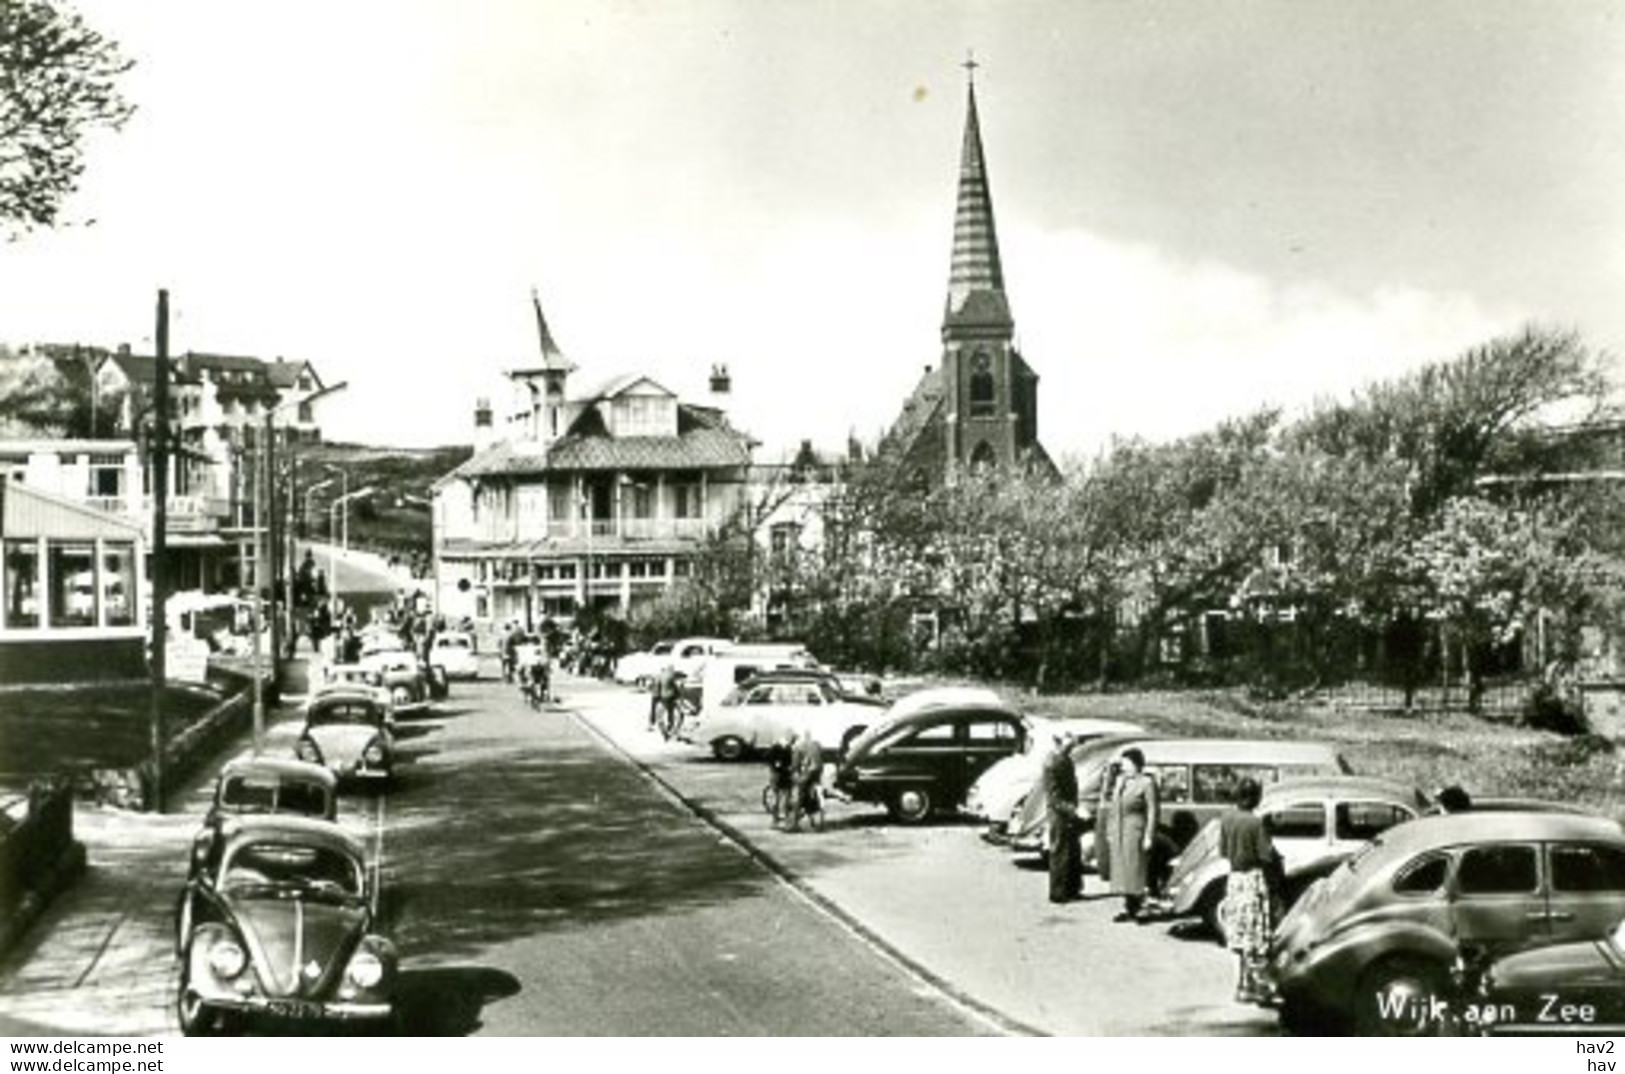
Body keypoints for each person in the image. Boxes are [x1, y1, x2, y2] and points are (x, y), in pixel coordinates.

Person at [1218, 777, 1276, 1003]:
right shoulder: (1255, 823)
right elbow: (1266, 855)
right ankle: (1254, 985)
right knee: (1254, 934)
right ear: (1254, 797)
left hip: (1234, 880)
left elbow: (1223, 851)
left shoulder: (1227, 819)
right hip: (1252, 878)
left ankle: (1239, 985)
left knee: (1238, 936)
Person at [1106, 747, 1159, 923]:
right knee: (1123, 870)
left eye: (1126, 763)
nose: (1123, 767)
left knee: (1136, 868)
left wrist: (1148, 835)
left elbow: (1152, 811)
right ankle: (1129, 906)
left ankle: (1140, 908)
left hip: (1136, 828)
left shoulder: (1146, 783)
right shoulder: (1121, 781)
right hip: (1120, 829)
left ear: (1136, 764)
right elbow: (1113, 808)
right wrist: (1110, 830)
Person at [1041, 733, 1082, 903]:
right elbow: (1054, 798)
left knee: (1072, 850)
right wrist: (1073, 810)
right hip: (1059, 813)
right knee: (1060, 851)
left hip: (1069, 810)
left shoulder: (1065, 760)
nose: (1072, 747)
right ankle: (1057, 892)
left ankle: (1072, 888)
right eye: (1069, 743)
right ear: (1059, 743)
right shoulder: (1052, 763)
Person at [786, 727, 824, 833]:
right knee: (810, 793)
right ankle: (813, 819)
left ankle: (794, 824)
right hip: (818, 772)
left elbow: (795, 763)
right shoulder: (817, 744)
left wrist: (793, 771)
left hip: (808, 773)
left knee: (800, 794)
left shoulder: (799, 746)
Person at [765, 732, 795, 828]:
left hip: (776, 774)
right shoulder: (788, 748)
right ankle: (786, 821)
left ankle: (775, 821)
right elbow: (792, 762)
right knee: (786, 797)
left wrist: (775, 766)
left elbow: (769, 759)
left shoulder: (775, 747)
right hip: (785, 775)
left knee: (776, 797)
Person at [654, 663, 683, 740]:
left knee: (660, 716)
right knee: (674, 714)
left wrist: (657, 697)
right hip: (671, 697)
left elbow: (657, 687)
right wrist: (679, 696)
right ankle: (672, 729)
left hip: (663, 697)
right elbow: (675, 687)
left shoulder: (660, 676)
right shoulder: (671, 676)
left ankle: (665, 733)